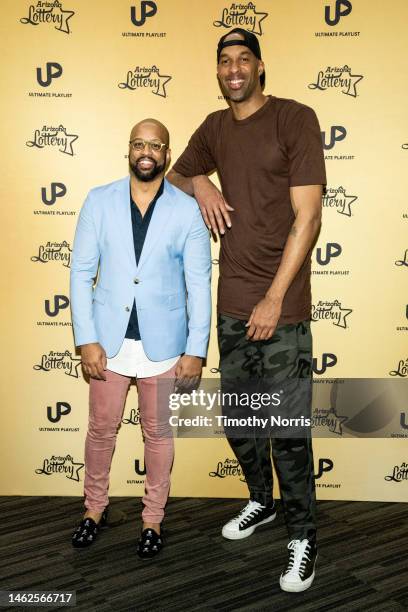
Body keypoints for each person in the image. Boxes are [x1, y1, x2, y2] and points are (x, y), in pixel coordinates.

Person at [167, 29, 326, 591]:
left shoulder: (294, 118)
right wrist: (203, 184)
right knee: (240, 421)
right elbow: (175, 174)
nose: (234, 69)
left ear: (260, 67)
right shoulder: (214, 127)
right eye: (225, 62)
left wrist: (275, 297)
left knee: (285, 429)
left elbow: (308, 217)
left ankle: (302, 537)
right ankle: (261, 501)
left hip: (280, 306)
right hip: (231, 301)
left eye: (243, 60)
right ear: (219, 71)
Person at [70, 118, 211, 559]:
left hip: (165, 345)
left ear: (167, 154)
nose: (145, 152)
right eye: (138, 144)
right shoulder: (99, 201)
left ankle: (153, 519)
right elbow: (79, 273)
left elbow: (200, 283)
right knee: (100, 432)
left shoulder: (187, 210)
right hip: (107, 344)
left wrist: (195, 348)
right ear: (128, 150)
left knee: (159, 435)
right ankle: (94, 511)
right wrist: (86, 338)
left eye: (155, 145)